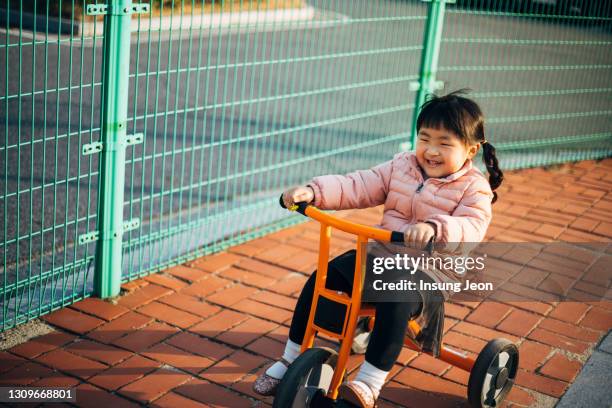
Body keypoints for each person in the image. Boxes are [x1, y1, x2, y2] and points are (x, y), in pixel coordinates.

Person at [252, 90, 503, 408]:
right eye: (424, 139)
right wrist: (314, 192)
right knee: (322, 279)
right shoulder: (403, 165)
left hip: (433, 270)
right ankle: (290, 359)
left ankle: (369, 383)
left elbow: (472, 226)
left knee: (394, 297)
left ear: (471, 149)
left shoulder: (474, 187)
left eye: (444, 143)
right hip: (384, 255)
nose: (431, 150)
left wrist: (435, 229)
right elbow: (360, 184)